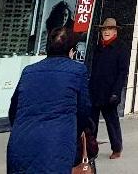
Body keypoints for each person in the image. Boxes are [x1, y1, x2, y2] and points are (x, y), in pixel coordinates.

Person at [7, 25, 92, 173]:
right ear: (72, 50)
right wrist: (73, 132)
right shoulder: (78, 71)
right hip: (57, 143)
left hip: (21, 141)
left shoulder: (29, 71)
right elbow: (84, 111)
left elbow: (13, 109)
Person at [88, 16, 130, 160]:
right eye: (104, 29)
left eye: (110, 29)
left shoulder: (121, 47)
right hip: (95, 89)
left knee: (112, 122)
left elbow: (123, 72)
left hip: (110, 91)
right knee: (91, 122)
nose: (106, 32)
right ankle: (90, 148)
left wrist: (116, 92)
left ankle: (117, 148)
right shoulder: (99, 46)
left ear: (115, 32)